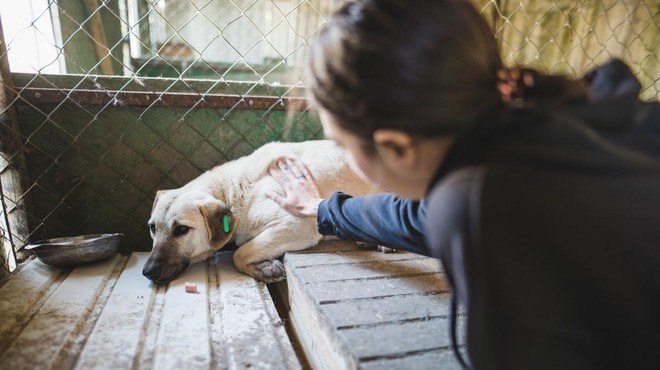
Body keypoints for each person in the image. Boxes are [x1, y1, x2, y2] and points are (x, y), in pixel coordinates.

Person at [266, 0, 660, 369]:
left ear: (396, 146)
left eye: (342, 145)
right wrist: (324, 210)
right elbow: (415, 216)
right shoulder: (549, 123)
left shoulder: (477, 200)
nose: (343, 155)